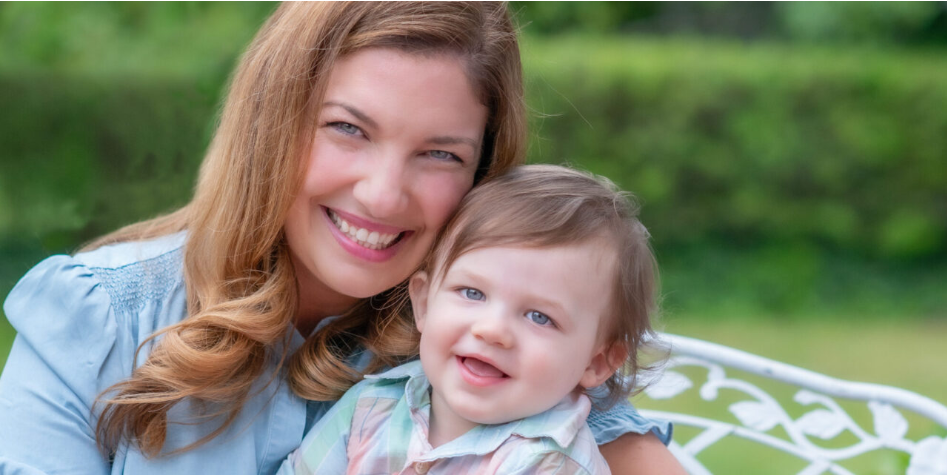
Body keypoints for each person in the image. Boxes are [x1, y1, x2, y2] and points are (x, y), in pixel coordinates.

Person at [0, 3, 683, 474]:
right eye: (347, 129)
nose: (383, 194)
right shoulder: (99, 317)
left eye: (440, 154)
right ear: (273, 125)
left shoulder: (487, 350)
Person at [281, 165, 671, 474]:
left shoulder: (552, 463)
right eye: (472, 293)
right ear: (424, 304)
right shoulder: (373, 404)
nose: (493, 330)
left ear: (596, 362)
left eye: (539, 317)